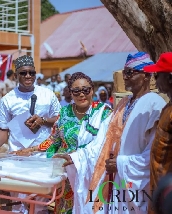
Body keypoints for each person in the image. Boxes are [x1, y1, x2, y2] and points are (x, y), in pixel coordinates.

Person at [65, 52, 166, 214]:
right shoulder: (123, 104)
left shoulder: (154, 103)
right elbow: (102, 141)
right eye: (124, 73)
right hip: (117, 180)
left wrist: (121, 164)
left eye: (130, 73)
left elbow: (156, 153)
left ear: (146, 75)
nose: (125, 77)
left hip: (137, 182)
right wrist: (75, 157)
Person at [16, 72, 113, 214]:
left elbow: (108, 143)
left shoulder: (103, 113)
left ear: (92, 90)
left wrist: (78, 156)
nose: (81, 95)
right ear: (71, 93)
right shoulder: (64, 113)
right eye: (76, 91)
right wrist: (32, 150)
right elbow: (54, 140)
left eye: (85, 90)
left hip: (92, 175)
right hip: (67, 178)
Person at [0, 55, 61, 213]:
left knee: (41, 203)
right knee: (18, 204)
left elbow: (60, 120)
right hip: (18, 159)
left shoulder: (47, 95)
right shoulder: (8, 99)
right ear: (15, 76)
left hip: (43, 158)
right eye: (23, 73)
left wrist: (43, 120)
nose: (28, 76)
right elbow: (2, 128)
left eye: (31, 73)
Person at [143, 52, 172, 214]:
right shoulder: (167, 108)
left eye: (157, 75)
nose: (154, 79)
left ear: (169, 78)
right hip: (159, 193)